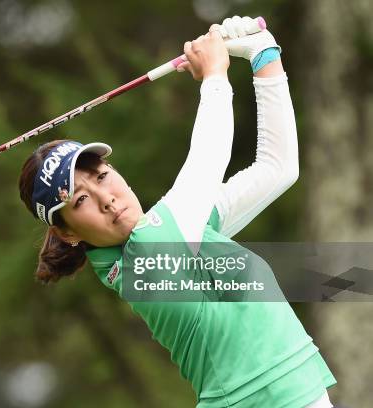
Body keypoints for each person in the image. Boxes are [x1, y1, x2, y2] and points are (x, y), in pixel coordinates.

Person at [18, 16, 336, 408]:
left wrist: (262, 53)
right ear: (68, 233)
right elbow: (207, 158)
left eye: (101, 176)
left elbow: (277, 167)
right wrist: (214, 74)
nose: (106, 198)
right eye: (80, 201)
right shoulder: (152, 251)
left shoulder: (181, 234)